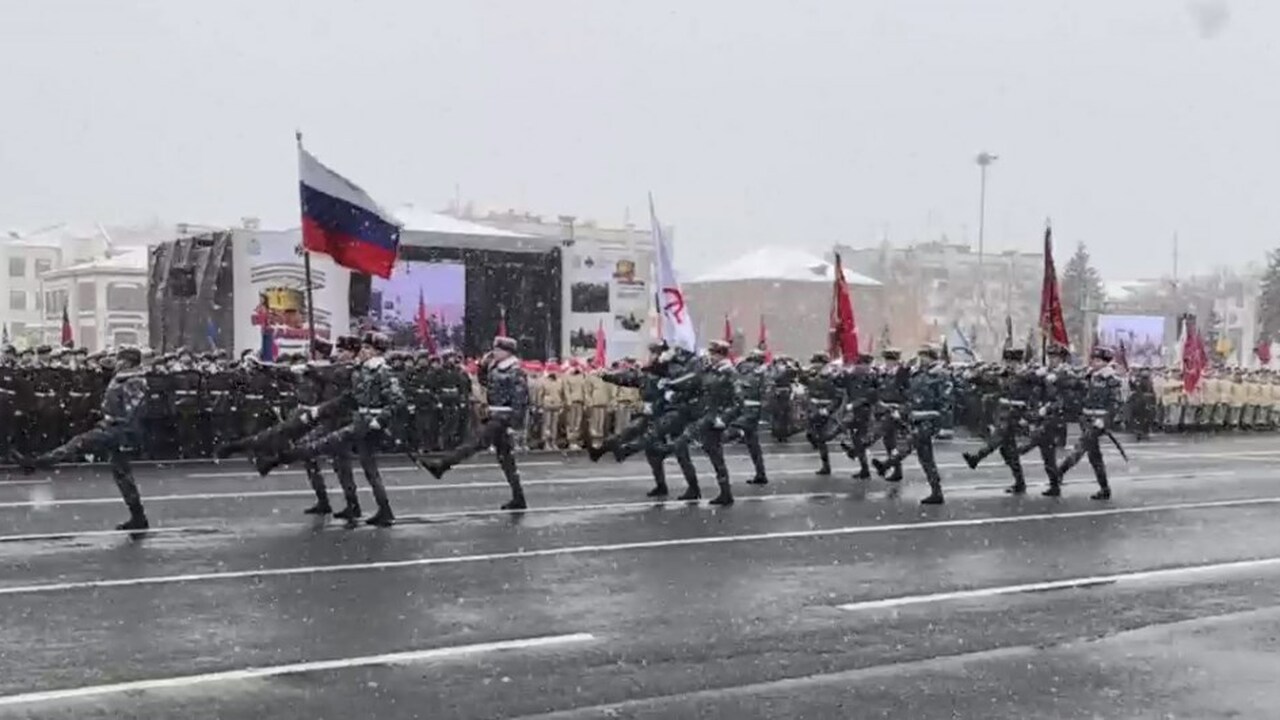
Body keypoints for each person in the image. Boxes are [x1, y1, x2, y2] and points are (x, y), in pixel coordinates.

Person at [257, 332, 404, 527]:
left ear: (378, 352)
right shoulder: (362, 370)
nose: (364, 351)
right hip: (356, 421)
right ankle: (379, 509)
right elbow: (345, 394)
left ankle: (276, 461)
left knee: (322, 450)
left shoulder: (375, 371)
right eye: (363, 348)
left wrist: (380, 419)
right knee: (362, 468)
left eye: (368, 348)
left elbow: (397, 400)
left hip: (357, 423)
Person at [12, 346, 150, 531]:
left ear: (127, 362)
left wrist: (117, 427)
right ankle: (138, 517)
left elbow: (134, 410)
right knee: (122, 476)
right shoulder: (122, 377)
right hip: (115, 429)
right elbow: (105, 371)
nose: (116, 361)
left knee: (78, 444)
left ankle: (36, 463)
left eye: (120, 359)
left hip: (119, 431)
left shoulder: (134, 381)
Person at [422, 337, 531, 510]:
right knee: (506, 460)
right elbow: (485, 382)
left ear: (507, 352)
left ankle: (442, 465)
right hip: (493, 414)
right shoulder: (496, 367)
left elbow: (521, 399)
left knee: (477, 441)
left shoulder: (516, 371)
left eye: (498, 350)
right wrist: (482, 366)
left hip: (504, 416)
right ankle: (519, 497)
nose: (494, 352)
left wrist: (514, 424)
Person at [871, 345, 948, 504]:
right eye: (921, 355)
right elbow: (907, 394)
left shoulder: (940, 375)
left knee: (909, 442)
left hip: (930, 418)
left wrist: (944, 425)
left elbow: (946, 402)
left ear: (932, 358)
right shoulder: (918, 374)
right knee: (925, 458)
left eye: (925, 356)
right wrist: (903, 410)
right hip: (915, 417)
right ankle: (937, 492)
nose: (922, 359)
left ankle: (887, 464)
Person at [962, 348, 1035, 494]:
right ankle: (1020, 483)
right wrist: (976, 372)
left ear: (1019, 362)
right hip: (1003, 413)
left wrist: (1029, 416)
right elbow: (982, 380)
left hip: (1016, 414)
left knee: (998, 437)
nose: (1009, 365)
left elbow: (1035, 392)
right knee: (1008, 451)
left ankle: (977, 458)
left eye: (1012, 362)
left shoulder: (1027, 376)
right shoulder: (1003, 375)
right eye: (1007, 361)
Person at [1057, 346, 1124, 500]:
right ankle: (1104, 488)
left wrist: (1105, 420)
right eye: (1093, 359)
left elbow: (1116, 403)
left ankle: (1059, 472)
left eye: (1098, 360)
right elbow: (1073, 386)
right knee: (1094, 455)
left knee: (1081, 447)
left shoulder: (1111, 379)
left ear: (1106, 362)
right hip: (1086, 419)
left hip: (1098, 421)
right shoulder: (1089, 375)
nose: (1094, 362)